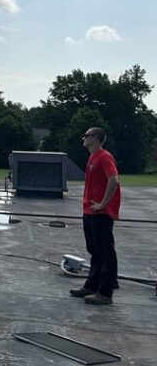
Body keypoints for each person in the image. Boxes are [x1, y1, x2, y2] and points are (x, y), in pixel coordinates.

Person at [69, 126, 121, 306]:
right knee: (95, 251)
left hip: (100, 212)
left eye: (87, 135)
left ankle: (105, 292)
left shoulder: (104, 157)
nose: (83, 138)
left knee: (105, 252)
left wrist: (103, 204)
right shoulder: (92, 157)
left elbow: (113, 180)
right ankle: (92, 286)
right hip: (90, 211)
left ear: (96, 138)